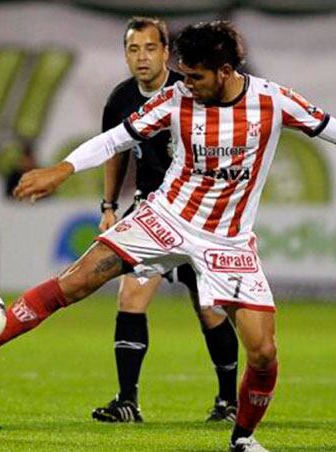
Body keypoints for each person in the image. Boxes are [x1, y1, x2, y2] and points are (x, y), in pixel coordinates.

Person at [0, 21, 336, 452]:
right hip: (166, 218)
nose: (187, 84)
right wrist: (63, 169)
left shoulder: (272, 100)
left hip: (230, 242)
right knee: (75, 283)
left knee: (263, 353)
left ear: (224, 71)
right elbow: (117, 138)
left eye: (196, 76)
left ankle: (242, 437)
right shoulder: (175, 100)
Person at [91, 16, 240, 424]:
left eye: (150, 48)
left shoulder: (190, 90)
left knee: (209, 310)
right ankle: (127, 402)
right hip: (151, 213)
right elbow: (116, 151)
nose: (142, 57)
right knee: (130, 299)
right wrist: (108, 206)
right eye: (133, 49)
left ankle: (229, 401)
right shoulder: (120, 99)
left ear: (166, 51)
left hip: (196, 216)